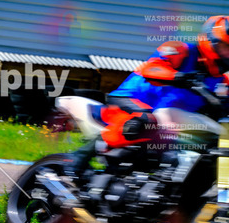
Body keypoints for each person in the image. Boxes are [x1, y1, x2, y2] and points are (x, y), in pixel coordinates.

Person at [69, 15, 229, 176]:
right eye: (225, 46)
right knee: (146, 121)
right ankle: (78, 159)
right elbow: (151, 68)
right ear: (209, 40)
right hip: (132, 98)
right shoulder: (180, 49)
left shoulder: (222, 80)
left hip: (169, 114)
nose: (228, 53)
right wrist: (178, 76)